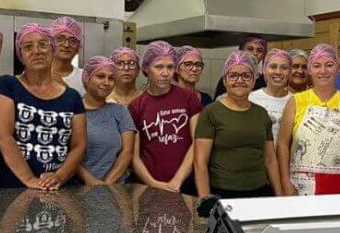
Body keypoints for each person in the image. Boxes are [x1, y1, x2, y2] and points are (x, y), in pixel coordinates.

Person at [0, 24, 86, 189]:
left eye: (43, 44)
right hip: (15, 190)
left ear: (53, 50)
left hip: (59, 190)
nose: (37, 51)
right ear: (21, 55)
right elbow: (3, 136)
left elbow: (79, 145)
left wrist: (59, 176)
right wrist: (29, 179)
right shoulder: (9, 85)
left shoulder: (72, 97)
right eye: (28, 47)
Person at [277, 43, 340, 195]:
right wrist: (285, 181)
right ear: (310, 70)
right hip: (301, 185)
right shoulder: (296, 102)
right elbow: (283, 144)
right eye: (317, 65)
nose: (323, 71)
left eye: (329, 65)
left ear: (337, 69)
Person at [194, 50, 281, 198]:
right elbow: (200, 162)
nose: (239, 80)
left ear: (254, 81)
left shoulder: (261, 114)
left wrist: (279, 196)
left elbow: (270, 159)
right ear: (225, 80)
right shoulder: (211, 112)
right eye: (233, 75)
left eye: (246, 75)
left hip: (259, 192)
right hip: (223, 193)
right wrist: (205, 199)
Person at [128, 41, 203, 192]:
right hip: (149, 186)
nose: (165, 73)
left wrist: (178, 180)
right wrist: (153, 183)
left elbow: (197, 142)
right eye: (159, 67)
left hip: (186, 184)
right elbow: (134, 156)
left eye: (170, 67)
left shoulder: (188, 98)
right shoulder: (136, 106)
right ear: (146, 69)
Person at [77, 56, 136, 185]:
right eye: (100, 76)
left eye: (111, 78)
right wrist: (91, 182)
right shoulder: (73, 111)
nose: (106, 82)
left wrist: (107, 184)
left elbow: (127, 152)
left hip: (115, 188)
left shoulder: (120, 111)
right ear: (87, 78)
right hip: (78, 189)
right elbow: (67, 153)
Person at [249, 49, 292, 140]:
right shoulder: (251, 98)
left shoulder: (295, 101)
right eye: (273, 67)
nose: (278, 72)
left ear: (290, 72)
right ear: (264, 70)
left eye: (284, 68)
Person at [49, 16, 85, 94]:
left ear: (79, 47)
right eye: (60, 39)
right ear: (50, 44)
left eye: (72, 41)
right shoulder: (36, 74)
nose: (66, 45)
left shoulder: (85, 78)